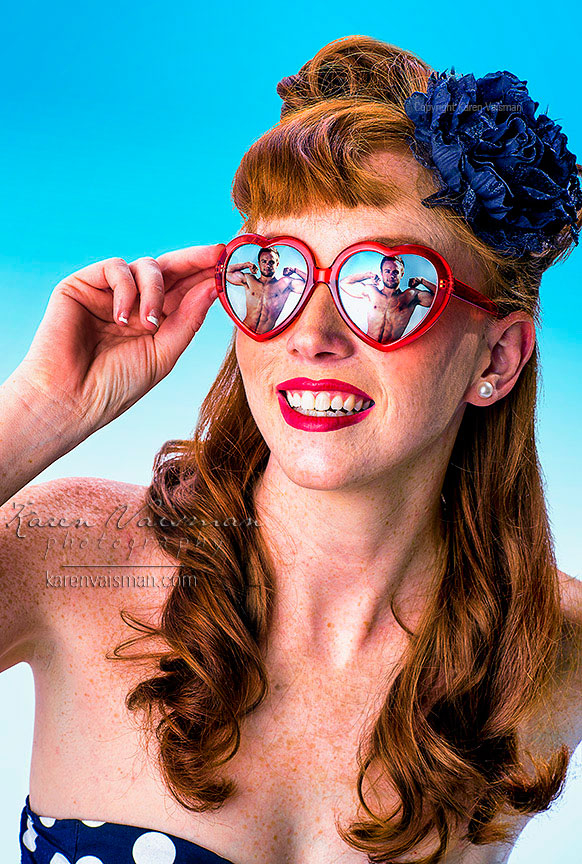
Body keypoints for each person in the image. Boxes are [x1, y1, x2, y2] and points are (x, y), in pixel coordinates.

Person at [2, 34, 582, 864]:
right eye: (273, 271)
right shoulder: (72, 557)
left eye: (388, 285)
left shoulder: (555, 648)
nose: (310, 336)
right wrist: (35, 412)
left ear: (496, 358)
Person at [339, 254, 435, 342]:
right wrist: (367, 275)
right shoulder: (372, 292)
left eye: (395, 272)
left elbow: (439, 298)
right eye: (387, 271)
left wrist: (422, 281)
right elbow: (343, 283)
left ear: (402, 274)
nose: (391, 275)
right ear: (381, 273)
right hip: (369, 346)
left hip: (392, 350)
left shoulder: (411, 296)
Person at [226, 246, 307, 333]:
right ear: (259, 263)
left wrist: (295, 270)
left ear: (277, 264)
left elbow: (311, 285)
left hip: (266, 336)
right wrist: (245, 265)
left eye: (271, 262)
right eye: (264, 261)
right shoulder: (249, 280)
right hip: (245, 331)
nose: (268, 265)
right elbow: (226, 272)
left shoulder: (284, 284)